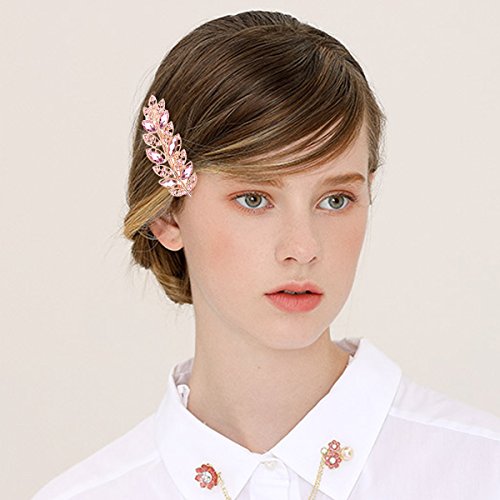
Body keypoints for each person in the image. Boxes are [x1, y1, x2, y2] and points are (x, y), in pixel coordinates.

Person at [32, 9, 500, 500]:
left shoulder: (481, 473)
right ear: (168, 216)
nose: (303, 249)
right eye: (254, 199)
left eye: (335, 200)